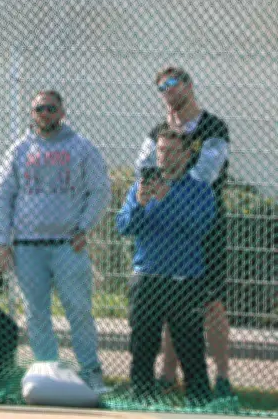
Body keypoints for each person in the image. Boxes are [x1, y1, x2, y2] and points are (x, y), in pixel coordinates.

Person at [0, 90, 111, 393]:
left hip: (68, 245)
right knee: (36, 312)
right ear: (32, 114)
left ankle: (91, 372)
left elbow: (100, 190)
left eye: (51, 108)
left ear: (62, 111)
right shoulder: (18, 150)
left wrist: (84, 227)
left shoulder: (81, 147)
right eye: (39, 109)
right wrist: (4, 241)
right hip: (28, 247)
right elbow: (3, 196)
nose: (45, 114)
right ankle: (48, 372)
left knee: (78, 308)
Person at [135, 66, 232, 397]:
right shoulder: (159, 131)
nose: (167, 91)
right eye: (161, 86)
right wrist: (161, 179)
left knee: (212, 303)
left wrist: (170, 182)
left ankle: (221, 376)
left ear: (189, 86)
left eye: (173, 84)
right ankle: (166, 374)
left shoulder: (213, 127)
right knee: (167, 297)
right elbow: (144, 168)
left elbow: (204, 173)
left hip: (203, 225)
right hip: (163, 227)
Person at [118, 127, 216, 404]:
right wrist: (139, 203)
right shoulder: (140, 187)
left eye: (171, 151)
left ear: (187, 156)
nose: (164, 156)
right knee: (142, 345)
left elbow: (199, 228)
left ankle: (199, 401)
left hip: (183, 280)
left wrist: (168, 199)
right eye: (160, 150)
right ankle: (141, 398)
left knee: (190, 346)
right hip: (146, 277)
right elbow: (124, 227)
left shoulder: (200, 191)